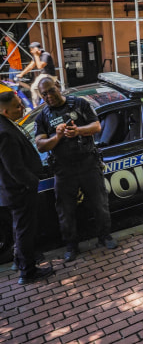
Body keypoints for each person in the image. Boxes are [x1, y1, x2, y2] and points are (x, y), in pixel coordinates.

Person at [35, 77, 117, 263]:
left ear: (58, 87)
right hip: (63, 170)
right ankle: (71, 245)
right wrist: (57, 137)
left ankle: (105, 236)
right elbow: (40, 145)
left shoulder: (79, 104)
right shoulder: (43, 116)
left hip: (88, 163)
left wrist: (78, 131)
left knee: (99, 203)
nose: (49, 96)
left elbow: (96, 126)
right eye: (44, 94)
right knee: (65, 210)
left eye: (51, 91)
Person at [0, 90, 54, 285]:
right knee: (24, 230)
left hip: (14, 190)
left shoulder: (5, 126)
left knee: (19, 229)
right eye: (17, 106)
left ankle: (19, 261)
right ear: (5, 111)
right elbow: (14, 168)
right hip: (19, 191)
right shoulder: (4, 133)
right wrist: (32, 182)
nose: (22, 108)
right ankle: (28, 271)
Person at [15, 42, 56, 108]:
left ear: (36, 49)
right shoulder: (36, 56)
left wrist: (36, 56)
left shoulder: (45, 55)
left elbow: (40, 66)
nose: (31, 51)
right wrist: (21, 74)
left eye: (32, 49)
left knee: (34, 87)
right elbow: (31, 66)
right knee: (34, 88)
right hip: (43, 75)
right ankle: (41, 103)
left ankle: (39, 105)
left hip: (49, 76)